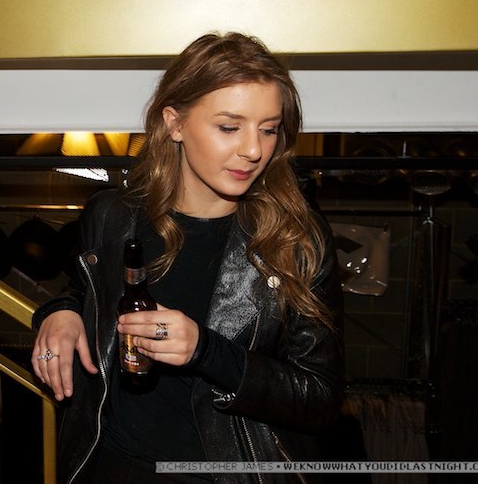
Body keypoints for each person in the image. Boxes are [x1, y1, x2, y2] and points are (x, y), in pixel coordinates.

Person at [31, 32, 343, 482]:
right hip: (112, 467)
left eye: (269, 129)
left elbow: (320, 399)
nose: (254, 150)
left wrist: (206, 351)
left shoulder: (297, 239)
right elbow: (89, 293)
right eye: (230, 127)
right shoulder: (112, 215)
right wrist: (59, 313)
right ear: (174, 123)